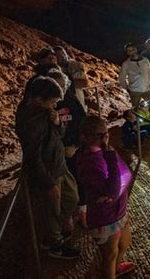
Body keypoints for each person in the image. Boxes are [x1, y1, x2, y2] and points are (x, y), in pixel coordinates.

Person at [15, 76, 80, 259]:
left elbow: (59, 134)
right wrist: (49, 183)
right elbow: (33, 156)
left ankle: (54, 234)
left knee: (72, 198)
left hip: (59, 164)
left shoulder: (45, 111)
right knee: (52, 210)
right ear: (38, 99)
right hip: (49, 172)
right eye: (52, 101)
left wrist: (57, 122)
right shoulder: (30, 122)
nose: (55, 105)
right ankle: (55, 245)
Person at [77, 116, 134, 278]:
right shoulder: (89, 163)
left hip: (118, 209)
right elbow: (114, 188)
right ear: (85, 137)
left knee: (125, 243)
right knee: (110, 255)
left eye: (106, 133)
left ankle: (116, 268)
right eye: (98, 135)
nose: (104, 138)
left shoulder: (106, 150)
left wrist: (113, 194)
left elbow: (123, 175)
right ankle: (111, 271)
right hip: (105, 217)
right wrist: (112, 192)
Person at [48, 66, 89, 228]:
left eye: (61, 85)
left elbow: (82, 123)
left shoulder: (71, 101)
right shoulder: (47, 106)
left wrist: (75, 145)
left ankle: (83, 213)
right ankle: (67, 216)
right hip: (56, 154)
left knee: (80, 180)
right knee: (62, 188)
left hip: (73, 149)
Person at [118, 43, 150, 125]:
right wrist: (128, 88)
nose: (132, 52)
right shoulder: (126, 64)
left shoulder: (145, 60)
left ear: (136, 49)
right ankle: (139, 125)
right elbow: (121, 78)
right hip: (135, 91)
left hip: (146, 89)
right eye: (129, 51)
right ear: (127, 53)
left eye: (133, 49)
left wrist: (148, 83)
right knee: (136, 109)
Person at [53, 45, 89, 112]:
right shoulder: (54, 69)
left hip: (77, 103)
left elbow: (83, 83)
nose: (63, 57)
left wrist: (63, 82)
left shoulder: (75, 65)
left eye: (64, 54)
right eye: (59, 56)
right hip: (64, 106)